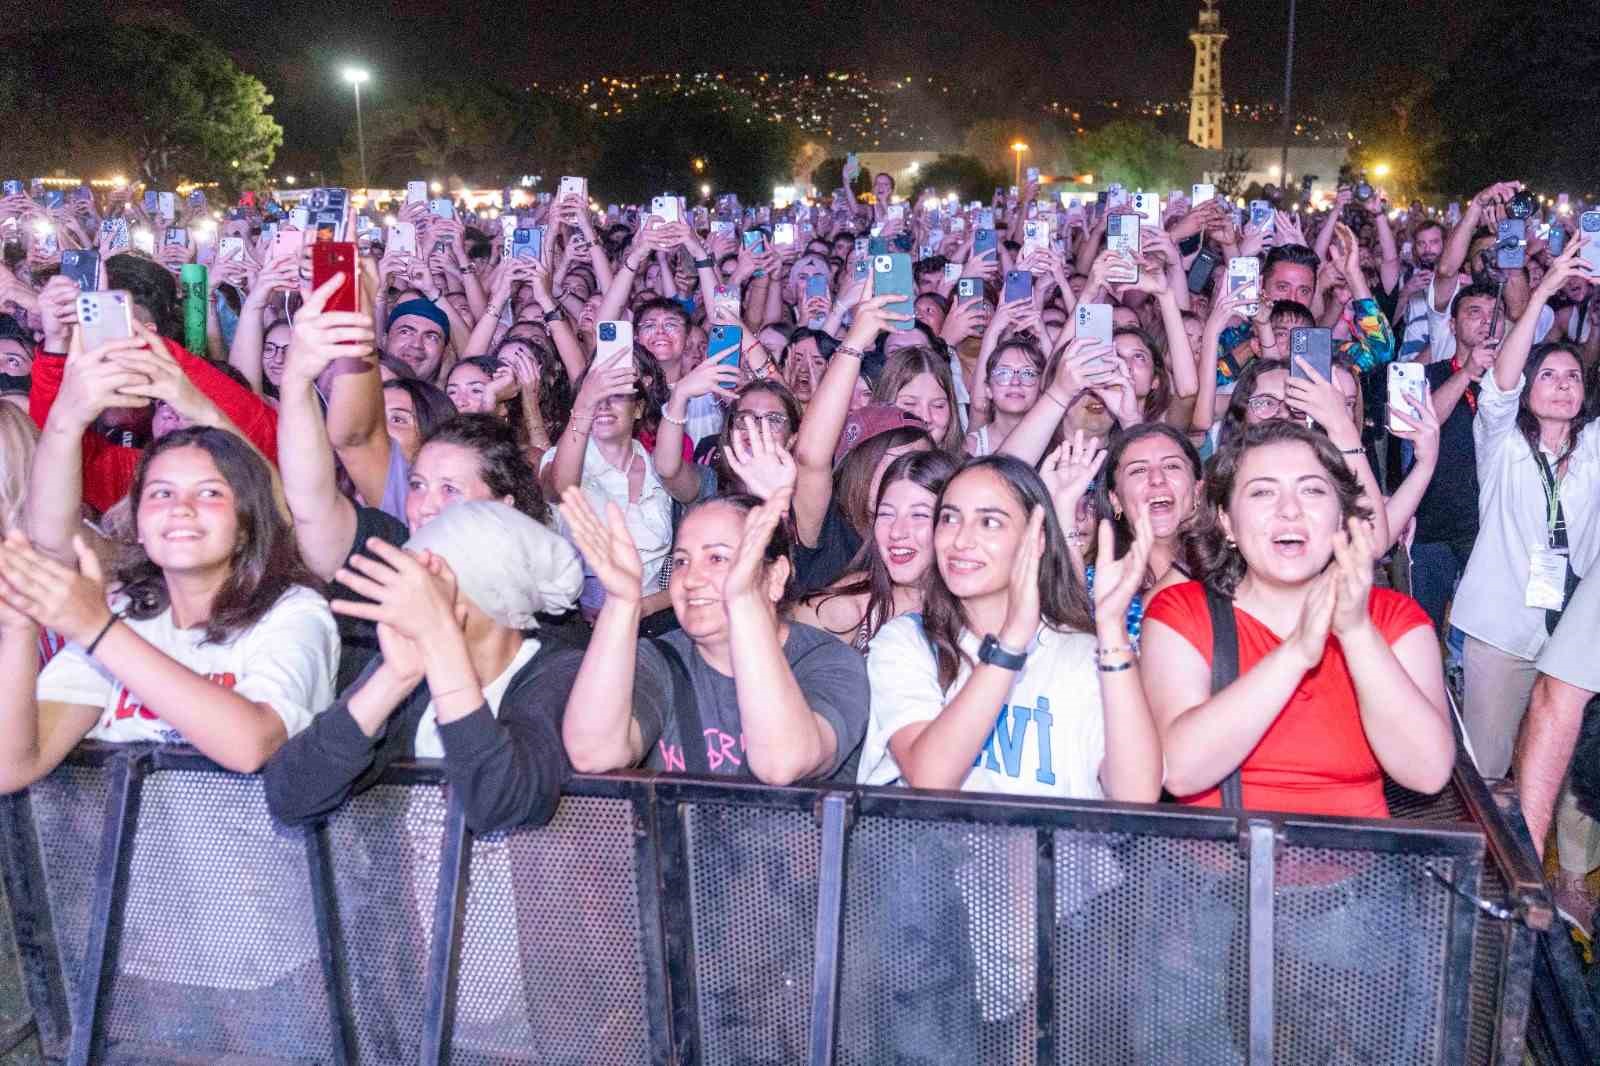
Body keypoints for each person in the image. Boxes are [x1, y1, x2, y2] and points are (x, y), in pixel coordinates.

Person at [1141, 419, 1454, 818]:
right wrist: (1297, 653)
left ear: (1341, 518)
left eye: (1311, 490)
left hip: (1361, 872)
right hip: (1218, 871)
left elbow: (1427, 772)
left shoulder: (1395, 619)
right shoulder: (1181, 611)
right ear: (1226, 522)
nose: (1290, 510)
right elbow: (1178, 771)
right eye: (1262, 492)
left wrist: (1357, 633)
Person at [0, 426, 338, 791]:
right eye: (162, 493)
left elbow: (252, 745)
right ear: (139, 525)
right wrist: (19, 628)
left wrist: (98, 630)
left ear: (246, 525)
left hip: (253, 848)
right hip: (133, 850)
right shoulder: (128, 613)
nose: (181, 508)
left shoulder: (294, 613)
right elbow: (11, 769)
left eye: (210, 493)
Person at [263, 501, 590, 835]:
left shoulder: (561, 673)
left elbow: (499, 804)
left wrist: (440, 641)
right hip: (401, 889)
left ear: (492, 598)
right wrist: (393, 679)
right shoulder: (408, 673)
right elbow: (290, 798)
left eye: (430, 586)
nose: (406, 601)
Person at [857, 454, 1162, 800]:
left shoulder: (1083, 651)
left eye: (989, 523)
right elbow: (931, 777)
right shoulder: (907, 641)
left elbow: (1137, 796)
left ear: (1038, 540)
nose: (961, 540)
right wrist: (1009, 644)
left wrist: (1112, 634)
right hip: (937, 851)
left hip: (1059, 852)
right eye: (949, 518)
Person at [559, 484, 869, 784]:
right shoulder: (659, 659)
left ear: (776, 576)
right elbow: (593, 754)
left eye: (717, 558)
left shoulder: (829, 662)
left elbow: (782, 764)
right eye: (682, 561)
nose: (691, 578)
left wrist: (745, 600)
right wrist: (621, 603)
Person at [1453, 242, 1600, 787]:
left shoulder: (1594, 447)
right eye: (1549, 376)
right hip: (1500, 629)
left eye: (1572, 378)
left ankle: (1567, 874)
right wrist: (1541, 290)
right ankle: (1490, 869)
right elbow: (1499, 383)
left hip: (1573, 632)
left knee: (1557, 774)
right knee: (1487, 772)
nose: (1562, 384)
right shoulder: (1503, 443)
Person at [792, 450, 958, 650]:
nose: (897, 532)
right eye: (886, 514)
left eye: (919, 515)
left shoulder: (984, 610)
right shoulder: (847, 607)